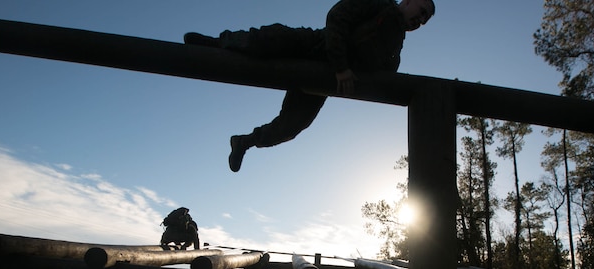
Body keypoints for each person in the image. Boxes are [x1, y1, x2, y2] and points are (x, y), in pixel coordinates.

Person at [184, 0, 436, 172]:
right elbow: (337, 16)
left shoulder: (396, 44)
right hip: (315, 47)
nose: (420, 20)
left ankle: (244, 142)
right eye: (421, 10)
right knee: (267, 40)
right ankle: (216, 44)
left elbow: (384, 75)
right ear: (407, 1)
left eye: (425, 20)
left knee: (291, 126)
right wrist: (341, 66)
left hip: (324, 80)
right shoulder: (379, 5)